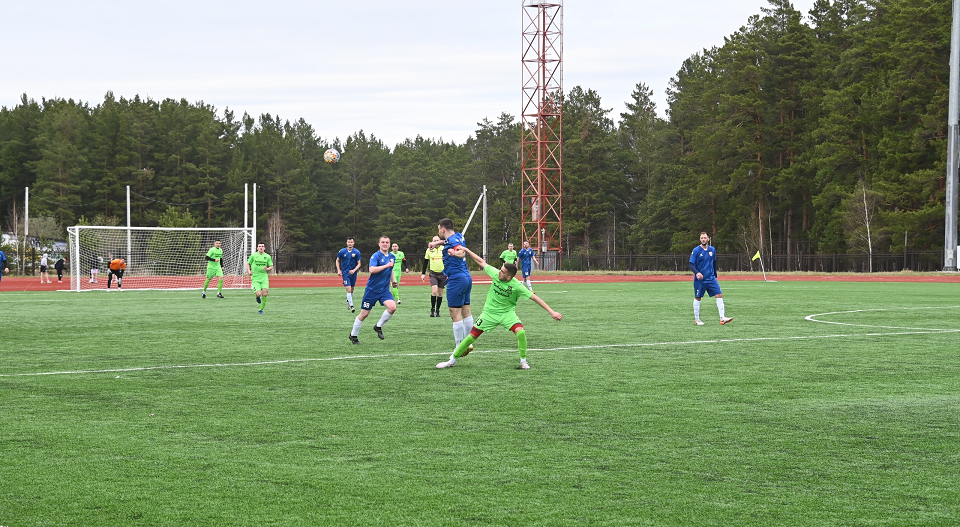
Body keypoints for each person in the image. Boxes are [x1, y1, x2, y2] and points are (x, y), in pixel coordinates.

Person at [437, 246, 562, 370]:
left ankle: (523, 361)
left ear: (509, 277)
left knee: (521, 332)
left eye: (502, 272)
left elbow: (534, 298)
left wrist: (552, 312)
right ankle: (451, 361)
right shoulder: (496, 274)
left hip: (507, 314)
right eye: (500, 269)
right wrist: (467, 250)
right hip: (489, 314)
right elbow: (481, 262)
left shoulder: (517, 286)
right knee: (470, 337)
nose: (499, 272)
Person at [427, 218, 473, 351]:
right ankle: (468, 342)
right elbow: (449, 241)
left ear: (443, 229)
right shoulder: (458, 236)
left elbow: (461, 252)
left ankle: (460, 346)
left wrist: (454, 253)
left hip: (456, 278)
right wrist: (437, 243)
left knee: (454, 313)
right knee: (466, 312)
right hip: (466, 277)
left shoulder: (453, 242)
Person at [349, 236, 398, 344]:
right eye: (383, 242)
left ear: (389, 244)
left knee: (392, 307)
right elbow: (371, 270)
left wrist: (393, 280)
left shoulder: (391, 256)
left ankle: (378, 326)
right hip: (372, 290)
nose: (385, 244)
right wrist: (386, 266)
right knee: (364, 314)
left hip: (384, 290)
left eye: (387, 242)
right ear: (379, 244)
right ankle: (353, 335)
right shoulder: (375, 256)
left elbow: (391, 269)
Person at [690, 231, 733, 325]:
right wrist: (697, 273)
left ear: (708, 239)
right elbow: (691, 264)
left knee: (719, 295)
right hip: (700, 280)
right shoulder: (696, 250)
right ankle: (697, 319)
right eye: (701, 238)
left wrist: (715, 275)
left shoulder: (712, 250)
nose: (703, 239)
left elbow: (714, 263)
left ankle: (722, 318)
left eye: (705, 238)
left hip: (711, 278)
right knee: (698, 297)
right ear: (700, 239)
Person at [421, 235, 446, 317]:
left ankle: (437, 310)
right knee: (434, 291)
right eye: (434, 240)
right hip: (433, 273)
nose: (436, 242)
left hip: (442, 273)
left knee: (440, 293)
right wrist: (423, 273)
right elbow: (425, 262)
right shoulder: (429, 250)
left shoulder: (443, 249)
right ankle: (432, 309)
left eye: (437, 240)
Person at [246, 243, 274, 314]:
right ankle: (257, 297)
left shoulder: (267, 256)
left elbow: (271, 266)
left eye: (262, 246)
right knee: (258, 294)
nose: (261, 247)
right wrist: (249, 271)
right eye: (259, 246)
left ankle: (261, 309)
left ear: (264, 248)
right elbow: (248, 263)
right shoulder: (254, 255)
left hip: (264, 277)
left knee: (265, 294)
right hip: (255, 278)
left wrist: (267, 269)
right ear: (257, 248)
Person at [336, 237, 362, 312]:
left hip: (353, 274)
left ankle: (348, 301)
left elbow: (359, 263)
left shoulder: (356, 252)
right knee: (348, 289)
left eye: (351, 242)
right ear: (346, 243)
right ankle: (352, 305)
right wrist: (339, 270)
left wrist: (354, 270)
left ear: (353, 243)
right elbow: (337, 260)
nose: (350, 243)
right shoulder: (342, 251)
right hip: (345, 273)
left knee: (352, 289)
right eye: (348, 242)